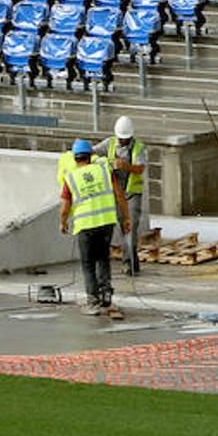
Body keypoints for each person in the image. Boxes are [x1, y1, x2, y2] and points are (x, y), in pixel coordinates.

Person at [58, 139, 131, 318]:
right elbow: (119, 194)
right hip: (106, 223)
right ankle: (106, 296)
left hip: (85, 227)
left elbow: (65, 206)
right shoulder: (103, 170)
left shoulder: (71, 177)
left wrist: (63, 222)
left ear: (75, 158)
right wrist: (127, 217)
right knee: (103, 259)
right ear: (91, 156)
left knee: (88, 264)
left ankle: (93, 302)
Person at [105, 116, 148, 276]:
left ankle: (128, 262)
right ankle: (132, 261)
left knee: (131, 227)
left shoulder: (138, 147)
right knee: (123, 227)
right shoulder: (109, 143)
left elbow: (140, 169)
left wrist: (126, 166)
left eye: (126, 139)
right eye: (121, 139)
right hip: (117, 193)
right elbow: (94, 153)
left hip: (132, 193)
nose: (123, 141)